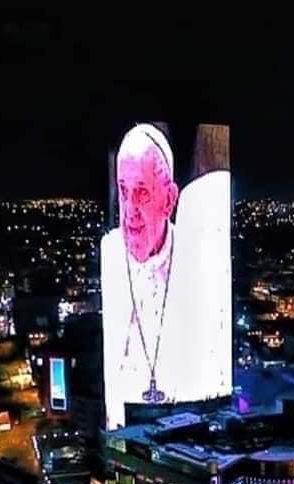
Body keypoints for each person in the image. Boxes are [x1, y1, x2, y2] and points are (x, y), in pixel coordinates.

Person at [101, 124, 231, 429]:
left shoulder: (196, 262)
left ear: (169, 200)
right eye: (124, 191)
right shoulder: (109, 252)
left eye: (142, 192)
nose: (130, 210)